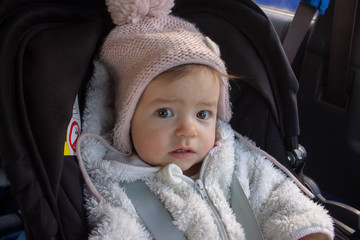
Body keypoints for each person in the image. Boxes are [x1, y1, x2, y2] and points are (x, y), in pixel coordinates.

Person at [76, 0, 334, 239]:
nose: (188, 130)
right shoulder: (118, 189)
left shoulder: (238, 162)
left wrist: (307, 231)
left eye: (202, 114)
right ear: (128, 119)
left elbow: (280, 199)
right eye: (165, 112)